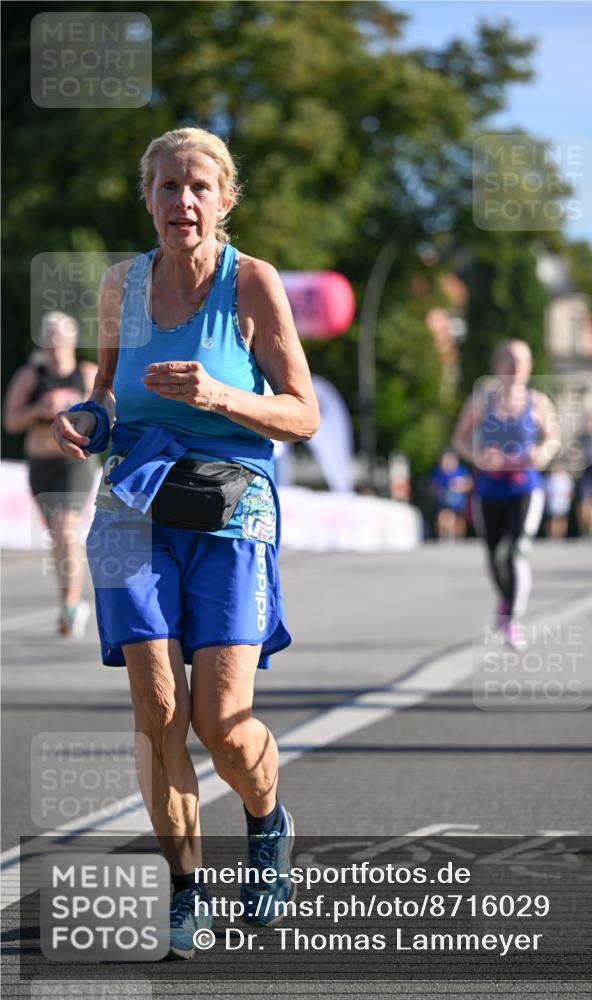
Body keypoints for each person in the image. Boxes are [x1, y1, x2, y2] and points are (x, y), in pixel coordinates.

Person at [51, 127, 320, 958]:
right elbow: (108, 391)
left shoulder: (252, 284)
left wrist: (218, 396)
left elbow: (302, 413)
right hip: (132, 504)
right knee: (159, 707)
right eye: (167, 186)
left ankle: (267, 820)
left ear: (225, 199)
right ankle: (184, 889)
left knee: (222, 722)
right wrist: (86, 419)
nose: (183, 201)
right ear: (148, 198)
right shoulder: (120, 285)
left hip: (229, 509)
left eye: (199, 186)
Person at [452, 339, 560, 649]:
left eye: (522, 362)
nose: (516, 368)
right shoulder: (482, 400)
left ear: (530, 367)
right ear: (497, 366)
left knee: (516, 551)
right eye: (510, 361)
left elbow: (553, 438)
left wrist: (541, 453)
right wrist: (479, 456)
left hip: (525, 487)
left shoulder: (538, 402)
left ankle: (513, 620)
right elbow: (459, 439)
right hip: (489, 488)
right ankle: (506, 601)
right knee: (494, 556)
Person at [3, 311, 97, 636]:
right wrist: (39, 409)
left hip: (75, 463)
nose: (54, 344)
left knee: (66, 527)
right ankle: (69, 598)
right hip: (40, 465)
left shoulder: (87, 374)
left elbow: (109, 415)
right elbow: (11, 421)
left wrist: (78, 408)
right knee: (57, 535)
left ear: (73, 340)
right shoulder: (31, 376)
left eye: (60, 337)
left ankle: (70, 605)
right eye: (48, 337)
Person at [429, 449, 472, 540]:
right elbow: (433, 487)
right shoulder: (438, 473)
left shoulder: (461, 471)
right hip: (444, 502)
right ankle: (444, 535)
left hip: (459, 503)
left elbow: (469, 485)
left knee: (459, 521)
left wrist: (459, 486)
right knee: (443, 516)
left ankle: (458, 536)